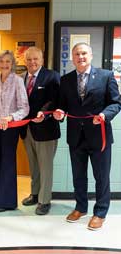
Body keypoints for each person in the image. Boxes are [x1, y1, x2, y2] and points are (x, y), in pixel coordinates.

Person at [53, 42, 121, 230]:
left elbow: (116, 103)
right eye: (76, 54)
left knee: (101, 176)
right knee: (78, 176)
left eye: (84, 53)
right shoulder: (65, 80)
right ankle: (81, 207)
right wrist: (59, 113)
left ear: (91, 55)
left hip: (99, 136)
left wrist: (104, 115)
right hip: (76, 137)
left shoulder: (106, 76)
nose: (80, 57)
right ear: (72, 58)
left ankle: (100, 212)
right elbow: (62, 105)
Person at [0, 50, 29, 212]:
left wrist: (11, 117)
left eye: (8, 62)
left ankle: (6, 202)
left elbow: (24, 108)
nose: (4, 64)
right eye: (2, 61)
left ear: (12, 65)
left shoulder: (17, 81)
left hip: (9, 129)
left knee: (7, 164)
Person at [19, 46, 60, 215]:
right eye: (29, 59)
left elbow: (56, 99)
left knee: (45, 167)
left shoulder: (52, 76)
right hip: (26, 129)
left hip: (46, 130)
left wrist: (44, 113)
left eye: (35, 58)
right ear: (24, 61)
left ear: (42, 60)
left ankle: (44, 201)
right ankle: (35, 194)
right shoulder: (20, 78)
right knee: (33, 165)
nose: (32, 62)